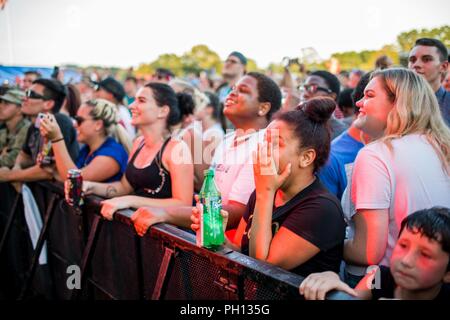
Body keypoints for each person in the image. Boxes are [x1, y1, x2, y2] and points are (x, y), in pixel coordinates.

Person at [191, 98, 346, 277]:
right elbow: (243, 254)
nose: (263, 149)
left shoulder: (321, 208)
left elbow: (262, 268)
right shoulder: (262, 192)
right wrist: (218, 238)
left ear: (306, 158)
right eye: (264, 141)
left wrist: (265, 193)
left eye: (276, 143)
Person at [131, 72, 282, 236]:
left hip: (231, 251)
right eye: (233, 88)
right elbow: (209, 196)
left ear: (263, 107)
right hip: (206, 238)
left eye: (243, 90)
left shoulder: (265, 145)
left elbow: (238, 212)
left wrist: (166, 214)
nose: (232, 93)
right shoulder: (228, 139)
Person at [344, 68, 450, 285]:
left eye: (370, 96)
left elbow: (369, 252)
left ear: (398, 103)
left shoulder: (376, 155)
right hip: (435, 281)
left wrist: (324, 242)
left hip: (382, 283)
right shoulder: (442, 147)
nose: (358, 103)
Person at [82, 83, 194, 220]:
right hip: (136, 232)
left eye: (141, 101)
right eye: (134, 100)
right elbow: (124, 187)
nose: (131, 106)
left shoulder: (177, 148)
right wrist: (90, 186)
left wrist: (130, 200)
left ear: (163, 111)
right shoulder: (139, 143)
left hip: (166, 237)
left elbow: (184, 205)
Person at [300, 207, 450, 300]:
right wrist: (334, 282)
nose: (406, 260)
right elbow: (354, 297)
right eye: (403, 245)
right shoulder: (378, 277)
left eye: (425, 255)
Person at [0, 78, 79, 184]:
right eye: (26, 92)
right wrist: (17, 167)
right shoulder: (34, 125)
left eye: (31, 94)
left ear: (48, 104)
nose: (24, 98)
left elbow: (48, 170)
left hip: (62, 196)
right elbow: (24, 155)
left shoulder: (59, 122)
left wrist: (10, 175)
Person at [39, 99, 130, 182]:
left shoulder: (112, 154)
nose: (74, 125)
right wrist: (53, 169)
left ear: (98, 125)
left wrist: (57, 138)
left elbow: (73, 181)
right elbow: (66, 176)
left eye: (79, 120)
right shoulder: (88, 149)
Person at [408, 38, 449, 126]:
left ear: (444, 67)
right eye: (412, 60)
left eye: (426, 59)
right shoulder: (396, 103)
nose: (416, 64)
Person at [300, 70, 348, 139]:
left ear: (331, 97)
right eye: (304, 88)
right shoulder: (295, 126)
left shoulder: (341, 134)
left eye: (312, 88)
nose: (305, 94)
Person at [0, 89, 30, 168]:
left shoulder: (27, 129)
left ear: (20, 109)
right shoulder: (4, 131)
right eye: (1, 102)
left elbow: (12, 160)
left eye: (6, 103)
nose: (0, 106)